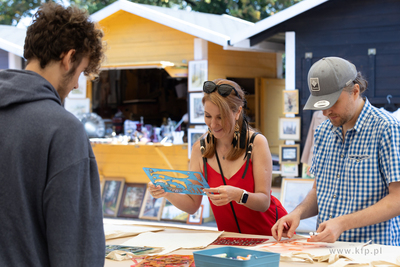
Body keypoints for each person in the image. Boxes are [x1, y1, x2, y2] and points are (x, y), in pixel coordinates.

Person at [0, 3, 105, 266]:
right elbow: (77, 249)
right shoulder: (62, 130)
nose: (76, 84)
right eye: (80, 72)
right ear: (68, 58)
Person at [272, 57, 400, 245]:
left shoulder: (387, 128)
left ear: (355, 91)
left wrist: (343, 223)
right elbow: (318, 190)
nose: (325, 112)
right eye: (320, 105)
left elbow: (397, 199)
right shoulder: (323, 131)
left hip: (372, 252)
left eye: (332, 102)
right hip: (325, 250)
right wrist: (296, 213)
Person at [148, 79, 287, 235]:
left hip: (273, 235)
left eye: (220, 117)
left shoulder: (256, 143)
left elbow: (264, 202)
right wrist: (167, 192)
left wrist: (238, 195)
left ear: (238, 112)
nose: (213, 124)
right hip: (231, 240)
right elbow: (193, 204)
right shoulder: (199, 150)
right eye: (208, 116)